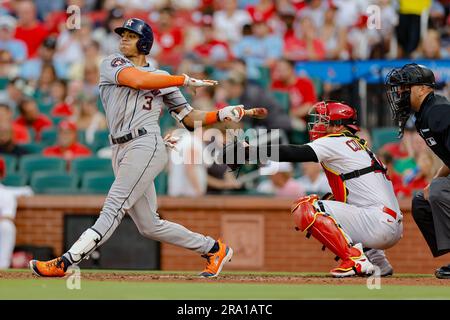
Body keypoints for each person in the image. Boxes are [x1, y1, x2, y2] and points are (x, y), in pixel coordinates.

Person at [29, 18, 254, 278]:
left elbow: (189, 119)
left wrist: (221, 114)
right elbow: (137, 81)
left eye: (131, 35)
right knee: (149, 225)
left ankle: (66, 262)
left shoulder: (164, 78)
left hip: (145, 144)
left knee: (113, 206)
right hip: (119, 147)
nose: (123, 38)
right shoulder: (111, 63)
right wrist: (183, 79)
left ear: (144, 42)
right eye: (123, 34)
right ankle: (214, 249)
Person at [227, 101, 402, 277]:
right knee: (331, 200)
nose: (318, 125)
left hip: (376, 224)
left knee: (306, 207)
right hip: (387, 222)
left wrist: (250, 151)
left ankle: (354, 259)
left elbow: (296, 152)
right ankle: (378, 261)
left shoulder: (336, 141)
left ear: (337, 126)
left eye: (324, 121)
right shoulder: (358, 145)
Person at [385, 63, 450, 279]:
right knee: (422, 200)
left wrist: (439, 185)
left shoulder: (438, 111)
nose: (400, 94)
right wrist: (434, 181)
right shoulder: (426, 112)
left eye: (406, 88)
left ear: (423, 89)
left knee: (440, 191)